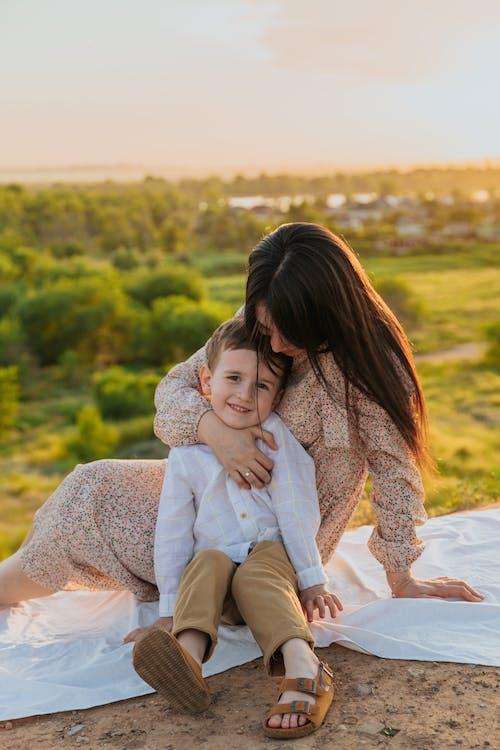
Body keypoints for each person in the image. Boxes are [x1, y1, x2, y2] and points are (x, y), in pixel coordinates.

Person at [0, 222, 483, 729]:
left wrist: (402, 574)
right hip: (215, 501)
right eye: (265, 323)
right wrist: (215, 432)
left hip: (284, 534)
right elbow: (173, 391)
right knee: (91, 486)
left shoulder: (371, 368)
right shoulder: (263, 316)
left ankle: (267, 656)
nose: (273, 340)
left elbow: (395, 472)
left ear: (326, 311)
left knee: (116, 517)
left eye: (287, 330)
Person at [131, 318, 339, 738]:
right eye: (233, 378)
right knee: (205, 560)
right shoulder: (186, 453)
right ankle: (187, 657)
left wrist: (311, 578)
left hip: (272, 572)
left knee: (261, 567)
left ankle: (303, 664)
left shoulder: (276, 438)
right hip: (222, 595)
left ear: (277, 395)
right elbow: (173, 531)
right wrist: (169, 610)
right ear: (207, 381)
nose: (244, 395)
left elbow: (296, 508)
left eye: (261, 386)